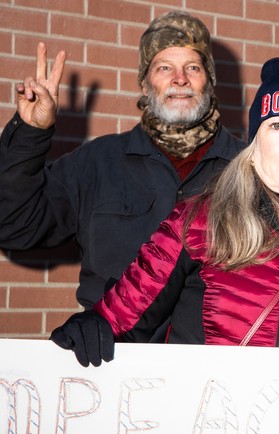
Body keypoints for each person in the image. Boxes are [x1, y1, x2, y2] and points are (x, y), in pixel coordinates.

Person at [50, 55, 279, 360]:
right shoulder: (197, 221)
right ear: (255, 144)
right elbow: (120, 320)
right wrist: (91, 327)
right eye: (278, 125)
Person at [0, 11, 245, 312]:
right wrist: (30, 134)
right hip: (111, 352)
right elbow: (16, 227)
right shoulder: (97, 163)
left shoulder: (248, 168)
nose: (179, 79)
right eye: (164, 67)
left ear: (209, 81)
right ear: (145, 84)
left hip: (212, 355)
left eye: (192, 67)